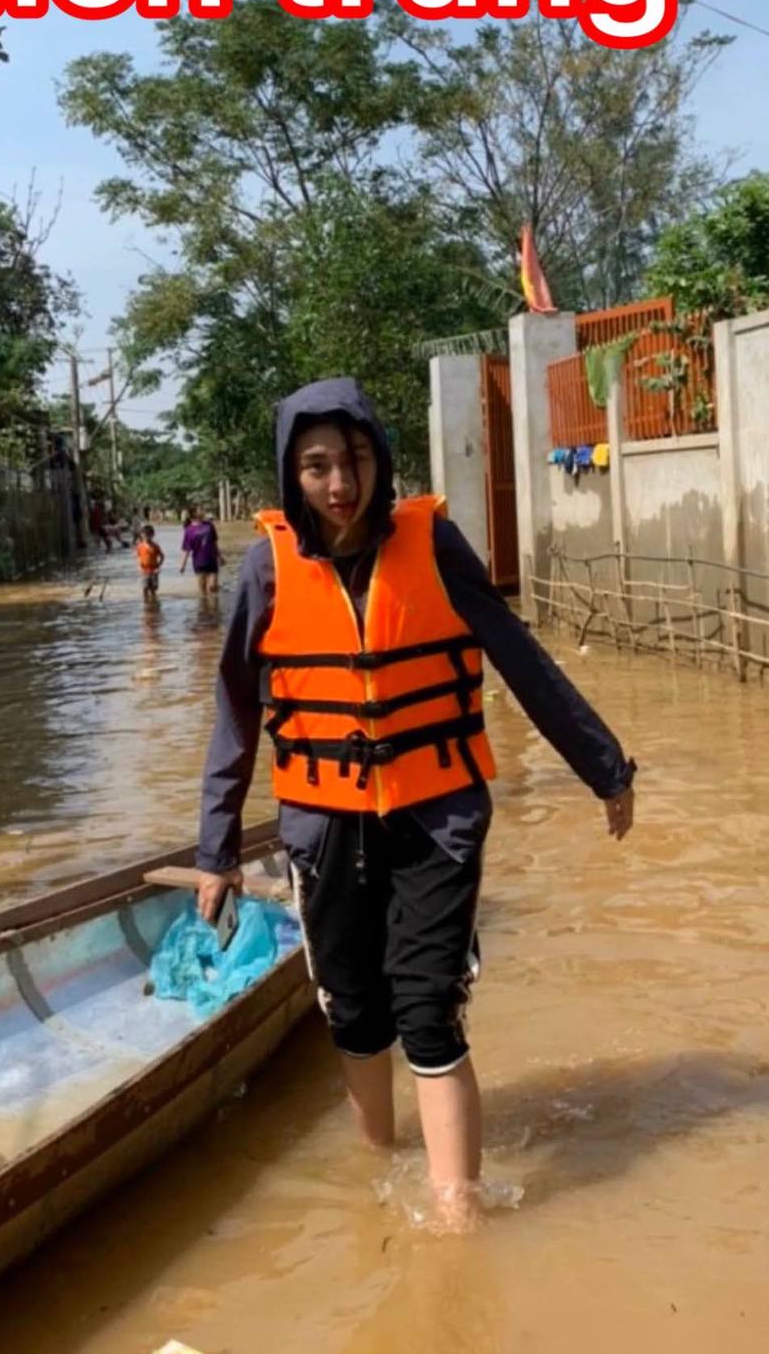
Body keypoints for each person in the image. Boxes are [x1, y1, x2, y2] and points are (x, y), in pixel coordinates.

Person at [194, 379, 636, 1230]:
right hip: (325, 824)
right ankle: (379, 1174)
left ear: (378, 459)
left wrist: (604, 765)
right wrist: (215, 852)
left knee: (427, 1004)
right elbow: (237, 712)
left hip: (436, 815)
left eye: (351, 459)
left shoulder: (432, 544)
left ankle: (456, 1212)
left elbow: (519, 657)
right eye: (316, 465)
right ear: (293, 475)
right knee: (355, 1009)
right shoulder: (266, 566)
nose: (338, 484)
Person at [180, 507, 225, 597]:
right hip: (198, 562)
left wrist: (220, 557)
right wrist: (183, 565)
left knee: (213, 587)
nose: (203, 511)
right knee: (203, 592)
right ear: (194, 514)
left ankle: (213, 609)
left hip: (212, 560)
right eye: (200, 509)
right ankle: (204, 609)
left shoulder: (209, 525)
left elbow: (214, 543)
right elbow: (186, 550)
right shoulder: (189, 530)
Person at [136, 524, 165, 602]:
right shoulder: (140, 546)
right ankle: (146, 603)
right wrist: (139, 566)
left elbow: (162, 556)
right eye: (144, 536)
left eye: (148, 536)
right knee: (145, 587)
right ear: (142, 535)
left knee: (153, 588)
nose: (146, 538)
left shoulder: (155, 546)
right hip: (144, 570)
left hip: (154, 570)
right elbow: (139, 557)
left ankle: (154, 602)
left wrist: (158, 566)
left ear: (152, 535)